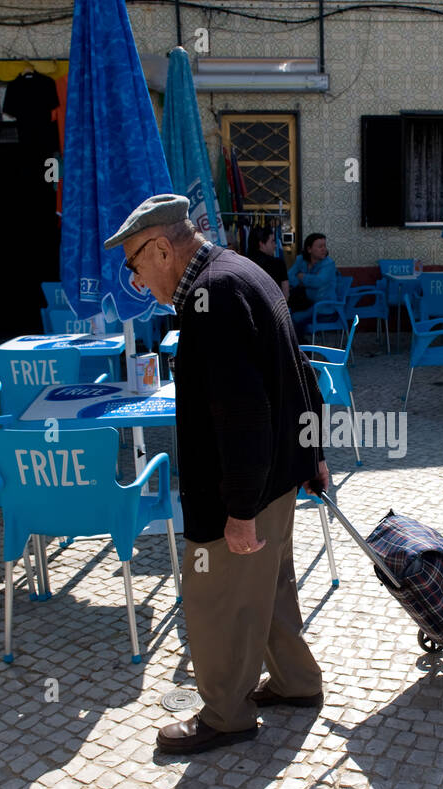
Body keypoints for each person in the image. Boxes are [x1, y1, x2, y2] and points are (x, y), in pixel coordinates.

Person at [104, 194, 329, 756]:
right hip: (277, 474)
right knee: (270, 588)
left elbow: (244, 412)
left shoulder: (213, 294)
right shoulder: (241, 271)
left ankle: (226, 714)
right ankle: (297, 684)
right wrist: (313, 453)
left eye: (134, 265)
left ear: (160, 248)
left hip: (247, 488)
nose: (135, 280)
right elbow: (299, 369)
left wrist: (238, 510)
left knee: (216, 602)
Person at [286, 232, 336, 316]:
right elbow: (289, 276)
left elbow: (319, 281)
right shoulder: (301, 260)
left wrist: (303, 277)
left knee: (294, 318)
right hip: (303, 299)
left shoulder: (329, 264)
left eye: (325, 246)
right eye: (320, 246)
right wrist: (300, 284)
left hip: (322, 304)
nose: (324, 249)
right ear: (309, 249)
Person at [246, 225, 289, 299]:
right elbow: (286, 295)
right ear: (261, 244)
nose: (275, 245)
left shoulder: (244, 263)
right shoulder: (278, 264)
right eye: (272, 241)